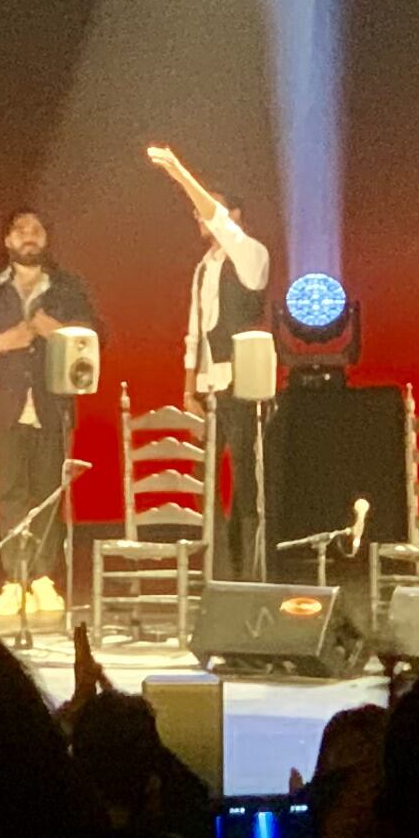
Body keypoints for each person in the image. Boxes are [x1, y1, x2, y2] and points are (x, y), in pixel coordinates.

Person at [0, 206, 100, 624]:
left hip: (52, 403)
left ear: (46, 240)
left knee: (48, 493)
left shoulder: (67, 288)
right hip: (4, 406)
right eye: (20, 229)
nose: (29, 235)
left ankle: (42, 578)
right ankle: (16, 579)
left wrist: (52, 327)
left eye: (36, 229)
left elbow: (96, 337)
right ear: (7, 241)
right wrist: (8, 340)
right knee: (12, 493)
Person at [143, 143, 269, 574]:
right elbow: (195, 331)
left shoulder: (252, 256)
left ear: (235, 217)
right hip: (211, 386)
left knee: (249, 484)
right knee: (208, 482)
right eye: (199, 214)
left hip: (246, 385)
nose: (202, 218)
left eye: (211, 211)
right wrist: (188, 386)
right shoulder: (203, 268)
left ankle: (252, 574)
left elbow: (220, 223)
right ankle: (218, 570)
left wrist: (179, 173)